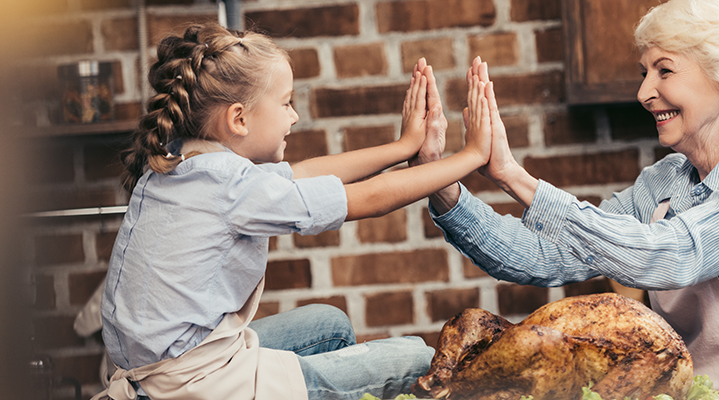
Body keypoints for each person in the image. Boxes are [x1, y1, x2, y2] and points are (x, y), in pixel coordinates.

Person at [421, 0, 719, 390]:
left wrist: (515, 178)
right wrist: (442, 187)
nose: (644, 93)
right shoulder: (662, 183)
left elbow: (673, 255)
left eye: (664, 71)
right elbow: (539, 257)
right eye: (644, 73)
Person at [95, 23, 494, 400]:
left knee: (328, 324)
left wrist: (403, 147)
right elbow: (370, 198)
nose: (294, 116)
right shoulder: (231, 187)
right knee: (418, 361)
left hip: (171, 372)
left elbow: (301, 175)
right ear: (239, 118)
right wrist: (472, 155)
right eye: (285, 103)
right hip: (198, 387)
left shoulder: (186, 165)